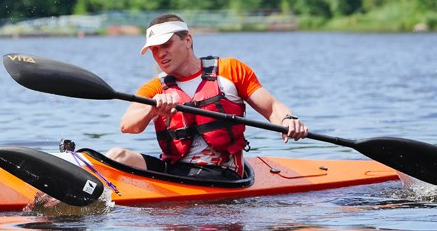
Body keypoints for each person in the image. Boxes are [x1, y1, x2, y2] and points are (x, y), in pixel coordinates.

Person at [105, 14, 308, 179]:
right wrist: (151, 110)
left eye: (166, 45)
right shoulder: (155, 88)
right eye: (154, 49)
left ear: (188, 40)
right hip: (173, 171)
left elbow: (272, 107)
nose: (160, 54)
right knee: (117, 156)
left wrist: (288, 119)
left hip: (223, 174)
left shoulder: (230, 70)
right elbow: (127, 125)